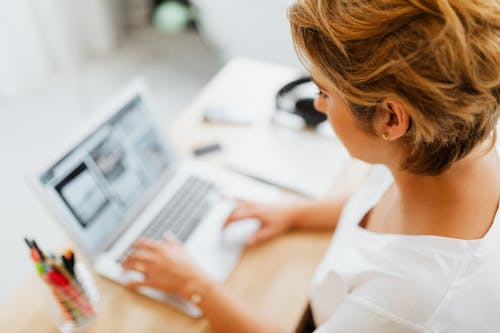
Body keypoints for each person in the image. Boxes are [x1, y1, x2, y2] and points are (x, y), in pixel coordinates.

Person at [122, 0, 500, 331]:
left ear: (390, 119)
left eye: (324, 92)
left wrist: (197, 286)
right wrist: (296, 214)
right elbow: (376, 199)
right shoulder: (457, 136)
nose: (318, 106)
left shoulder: (401, 307)